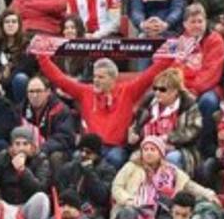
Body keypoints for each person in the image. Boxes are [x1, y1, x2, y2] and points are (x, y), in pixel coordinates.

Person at [37, 52, 169, 166]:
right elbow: (60, 80)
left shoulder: (128, 91)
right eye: (95, 76)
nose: (95, 80)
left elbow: (150, 74)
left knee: (115, 158)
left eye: (101, 77)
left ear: (113, 79)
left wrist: (171, 56)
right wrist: (42, 57)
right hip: (90, 148)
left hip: (116, 149)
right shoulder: (86, 92)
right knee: (77, 159)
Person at [110, 136, 217, 219]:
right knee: (127, 212)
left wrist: (208, 194)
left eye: (152, 149)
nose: (148, 153)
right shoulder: (131, 166)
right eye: (145, 149)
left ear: (160, 153)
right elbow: (116, 187)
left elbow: (189, 185)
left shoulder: (171, 170)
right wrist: (127, 200)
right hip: (134, 205)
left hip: (161, 208)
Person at [128, 67, 202, 175]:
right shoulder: (149, 101)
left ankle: (171, 190)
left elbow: (194, 130)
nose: (157, 92)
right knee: (134, 159)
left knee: (171, 158)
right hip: (149, 147)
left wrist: (168, 138)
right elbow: (136, 124)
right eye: (155, 88)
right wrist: (134, 133)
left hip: (179, 149)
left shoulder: (188, 104)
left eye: (162, 89)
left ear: (175, 92)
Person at [0, 125, 49, 206]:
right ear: (12, 146)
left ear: (31, 146)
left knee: (41, 198)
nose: (21, 148)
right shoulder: (3, 157)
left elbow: (41, 188)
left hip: (27, 204)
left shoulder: (40, 159)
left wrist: (23, 171)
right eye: (17, 144)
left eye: (25, 144)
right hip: (5, 205)